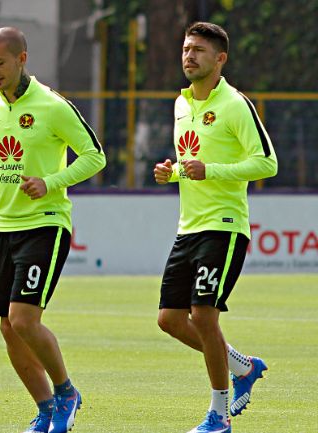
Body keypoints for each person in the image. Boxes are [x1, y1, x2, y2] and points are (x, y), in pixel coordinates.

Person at [0, 27, 105, 433]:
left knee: (22, 319)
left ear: (22, 59)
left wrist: (51, 182)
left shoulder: (53, 106)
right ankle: (47, 408)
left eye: (0, 63)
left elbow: (95, 156)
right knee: (7, 327)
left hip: (46, 225)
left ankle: (67, 391)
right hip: (6, 228)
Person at [153, 22, 277, 433]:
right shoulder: (180, 104)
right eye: (186, 48)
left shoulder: (235, 104)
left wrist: (212, 170)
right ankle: (243, 366)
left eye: (199, 50)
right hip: (188, 227)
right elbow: (193, 164)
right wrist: (172, 174)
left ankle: (218, 415)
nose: (189, 56)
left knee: (204, 315)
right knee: (169, 319)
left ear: (220, 59)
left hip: (224, 226)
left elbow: (266, 163)